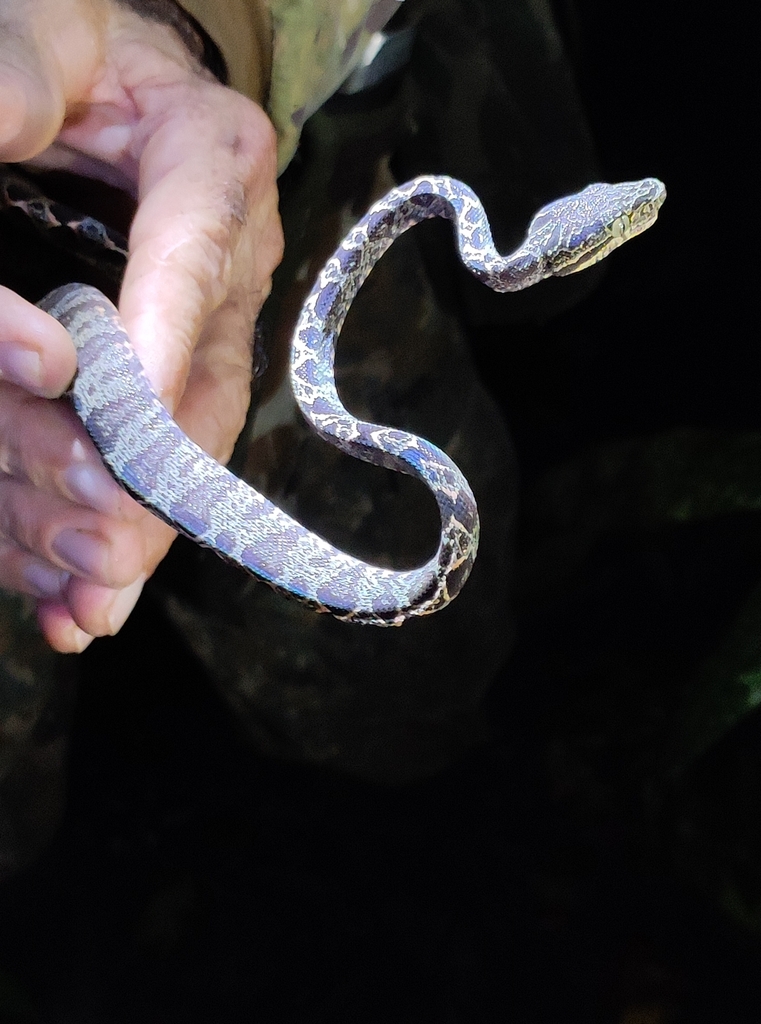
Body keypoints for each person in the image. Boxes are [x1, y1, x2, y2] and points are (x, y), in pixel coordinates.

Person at [1, 0, 598, 880]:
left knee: (402, 674)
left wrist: (184, 27)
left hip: (255, 179)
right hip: (140, 230)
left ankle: (399, 817)